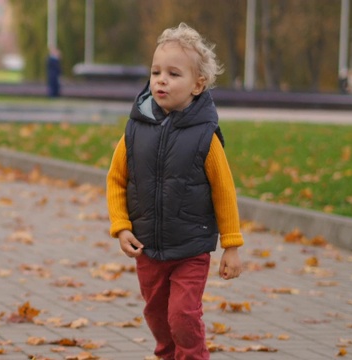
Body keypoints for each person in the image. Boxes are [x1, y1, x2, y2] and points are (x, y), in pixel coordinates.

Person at [106, 23, 243, 360]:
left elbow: (224, 191)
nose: (161, 80)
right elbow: (116, 179)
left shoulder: (205, 137)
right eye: (156, 72)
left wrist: (231, 245)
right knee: (157, 315)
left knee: (182, 315)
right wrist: (121, 226)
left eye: (173, 73)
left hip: (191, 249)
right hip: (148, 249)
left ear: (198, 85)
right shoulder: (135, 131)